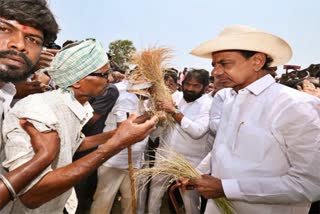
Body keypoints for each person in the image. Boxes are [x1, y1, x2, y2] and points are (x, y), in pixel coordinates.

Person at [1, 39, 157, 214]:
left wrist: (117, 133)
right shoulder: (38, 111)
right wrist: (117, 144)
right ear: (77, 80)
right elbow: (31, 195)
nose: (109, 80)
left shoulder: (75, 106)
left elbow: (74, 144)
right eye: (104, 75)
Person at [181, 25, 320, 214]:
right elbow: (222, 149)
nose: (216, 72)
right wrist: (196, 174)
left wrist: (226, 188)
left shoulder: (295, 105)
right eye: (214, 65)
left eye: (225, 64)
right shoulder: (231, 99)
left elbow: (310, 184)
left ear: (256, 61)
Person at [0, 0, 60, 210]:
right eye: (4, 29)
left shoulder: (7, 94)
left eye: (33, 39)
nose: (19, 45)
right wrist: (43, 158)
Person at [148, 69, 213, 214]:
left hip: (189, 162)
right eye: (187, 84)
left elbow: (197, 131)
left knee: (190, 204)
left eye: (196, 86)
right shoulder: (174, 98)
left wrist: (174, 112)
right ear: (182, 83)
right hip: (164, 156)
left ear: (205, 87)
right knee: (154, 197)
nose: (190, 89)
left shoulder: (209, 105)